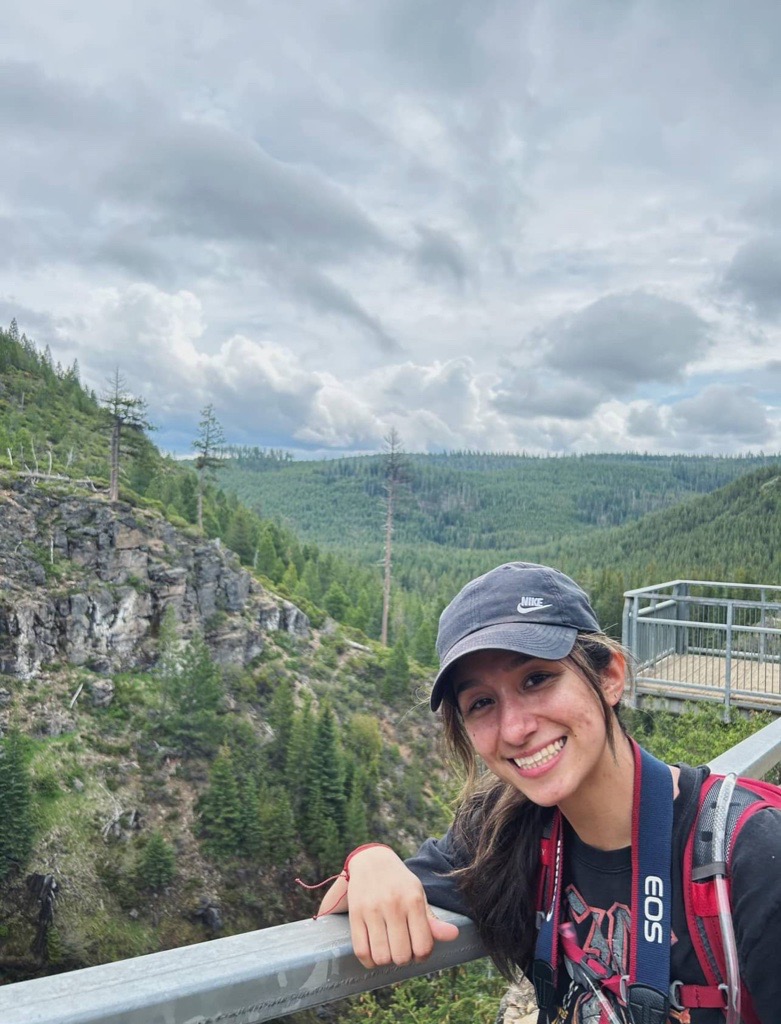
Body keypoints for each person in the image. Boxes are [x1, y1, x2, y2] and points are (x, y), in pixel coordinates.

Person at [317, 562, 781, 1024]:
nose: (515, 729)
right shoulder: (504, 833)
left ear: (610, 677)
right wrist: (371, 860)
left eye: (537, 679)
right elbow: (345, 904)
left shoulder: (750, 853)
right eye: (481, 703)